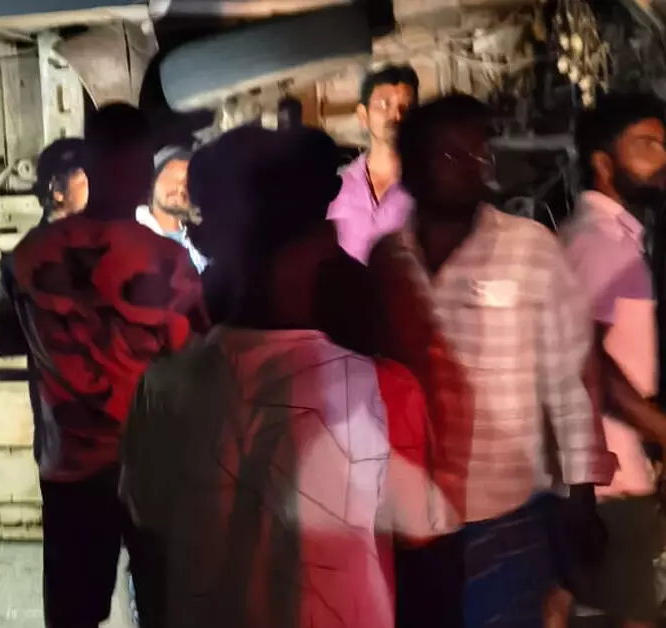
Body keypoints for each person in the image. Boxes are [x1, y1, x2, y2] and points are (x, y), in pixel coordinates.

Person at [121, 124, 449, 628]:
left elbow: (148, 544)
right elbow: (419, 555)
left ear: (202, 237)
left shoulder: (161, 388)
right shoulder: (385, 391)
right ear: (322, 238)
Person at [371, 94, 614, 628]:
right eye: (451, 154)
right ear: (412, 163)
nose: (472, 166)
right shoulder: (388, 258)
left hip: (508, 507)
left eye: (478, 152)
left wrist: (581, 495)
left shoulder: (529, 248)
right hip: (412, 520)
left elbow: (570, 377)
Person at [9, 102, 208, 628]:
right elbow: (199, 362)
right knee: (166, 607)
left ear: (90, 165)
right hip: (155, 467)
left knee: (74, 614)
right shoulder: (171, 263)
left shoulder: (28, 255)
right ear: (144, 170)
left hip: (71, 466)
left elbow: (7, 339)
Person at [555, 92, 666, 628]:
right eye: (646, 145)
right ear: (603, 162)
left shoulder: (599, 236)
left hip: (601, 474)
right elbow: (588, 360)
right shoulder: (602, 242)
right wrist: (662, 430)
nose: (662, 158)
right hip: (611, 478)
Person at [0, 137, 89, 469]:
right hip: (87, 440)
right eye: (86, 179)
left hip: (60, 444)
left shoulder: (20, 258)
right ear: (57, 190)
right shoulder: (101, 251)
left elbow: (6, 341)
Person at [327, 64, 419, 263]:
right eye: (384, 105)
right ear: (363, 115)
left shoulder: (427, 186)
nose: (396, 116)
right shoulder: (338, 188)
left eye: (406, 108)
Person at [135, 146, 208, 272]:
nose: (181, 188)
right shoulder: (132, 231)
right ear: (154, 180)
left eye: (188, 182)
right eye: (172, 178)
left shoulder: (203, 244)